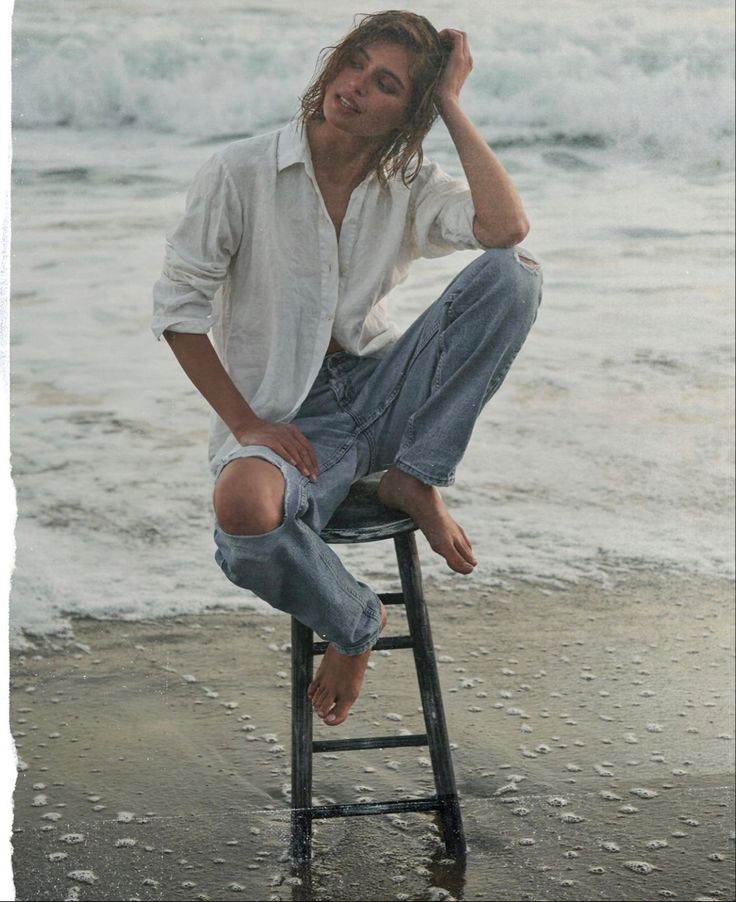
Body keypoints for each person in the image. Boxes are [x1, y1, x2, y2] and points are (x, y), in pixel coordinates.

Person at [152, 10, 542, 728]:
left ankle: (414, 476)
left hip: (384, 391)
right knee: (241, 512)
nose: (355, 85)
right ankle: (353, 623)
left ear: (409, 113)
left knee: (513, 275)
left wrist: (450, 105)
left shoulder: (410, 182)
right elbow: (178, 310)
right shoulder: (241, 173)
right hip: (291, 419)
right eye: (355, 62)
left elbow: (503, 228)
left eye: (386, 83)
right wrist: (247, 423)